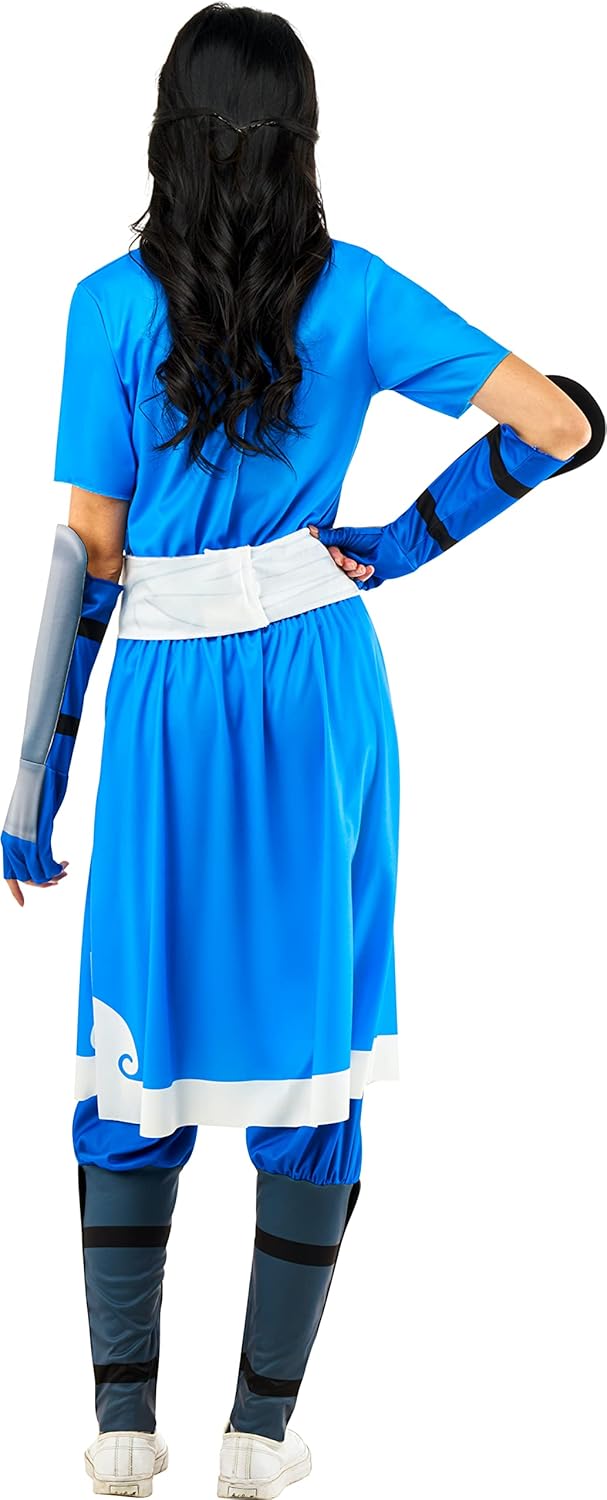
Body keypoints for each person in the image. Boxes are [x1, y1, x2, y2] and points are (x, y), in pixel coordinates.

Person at [2, 6, 602, 1498]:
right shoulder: (358, 292)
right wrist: (402, 543)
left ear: (168, 133)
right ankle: (259, 1439)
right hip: (317, 689)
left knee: (135, 1033)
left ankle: (121, 1429)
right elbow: (562, 423)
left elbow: (88, 563)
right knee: (310, 1042)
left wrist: (32, 785)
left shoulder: (104, 307)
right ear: (302, 139)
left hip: (164, 700)